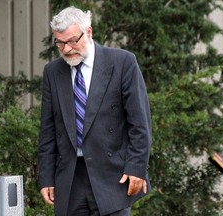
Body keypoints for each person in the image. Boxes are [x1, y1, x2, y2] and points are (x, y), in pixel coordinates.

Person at [38, 6, 152, 216]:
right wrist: (46, 177)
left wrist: (136, 168)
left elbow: (140, 123)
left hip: (113, 175)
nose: (66, 49)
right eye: (60, 43)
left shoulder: (122, 62)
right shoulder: (52, 72)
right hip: (70, 178)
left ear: (88, 32)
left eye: (72, 41)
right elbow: (48, 129)